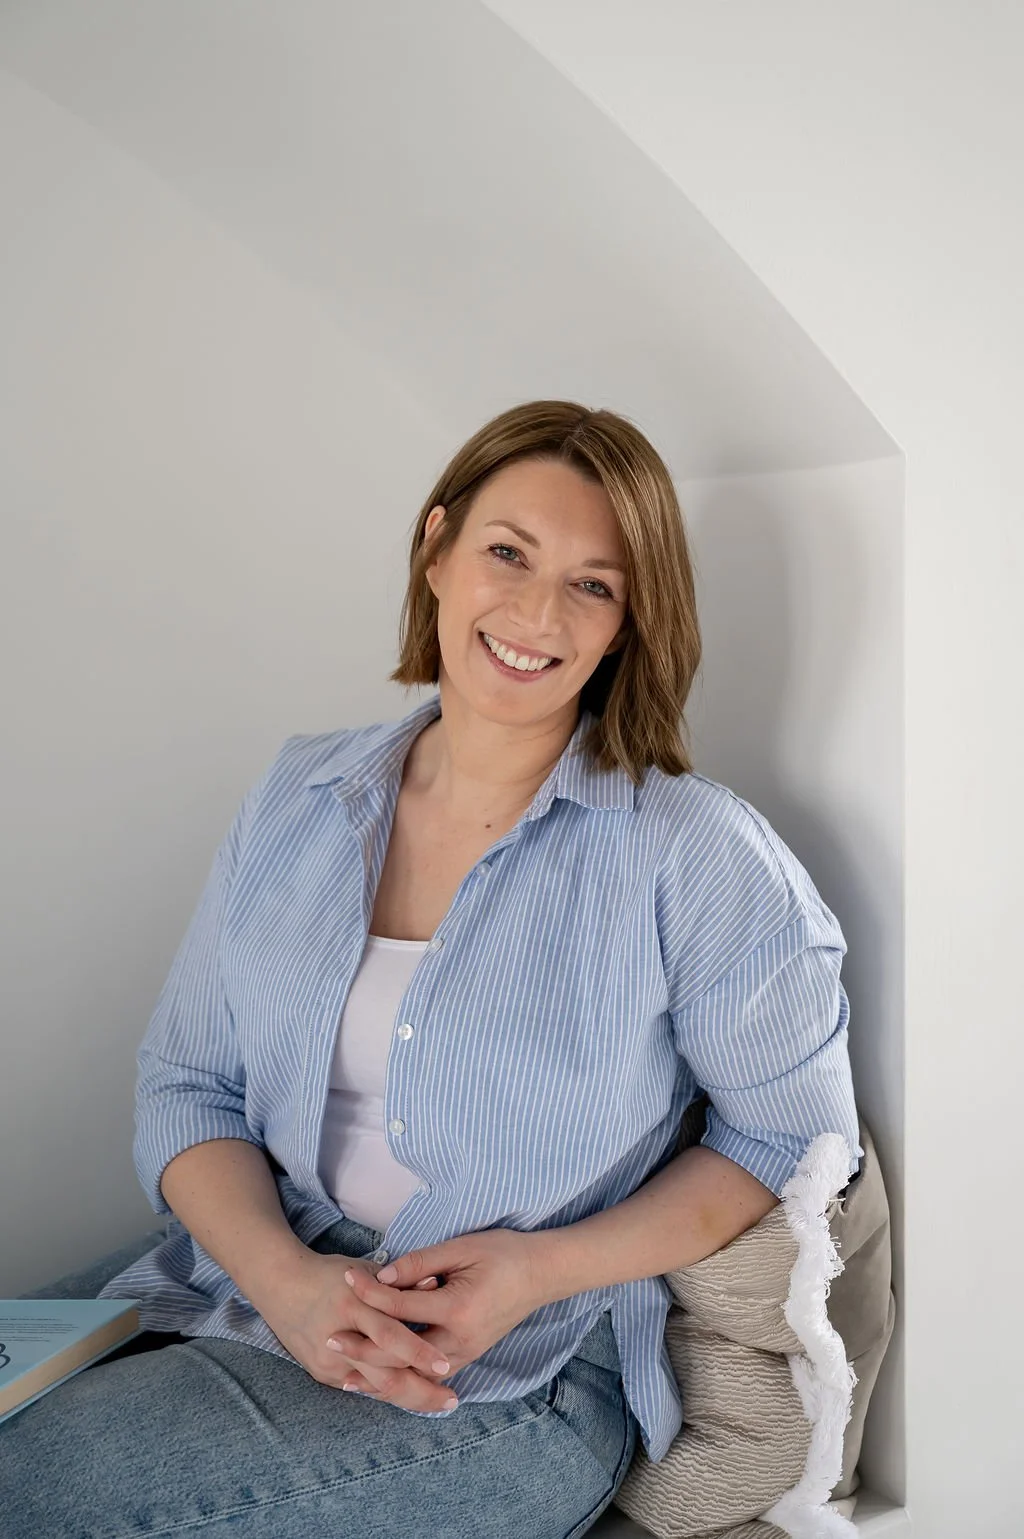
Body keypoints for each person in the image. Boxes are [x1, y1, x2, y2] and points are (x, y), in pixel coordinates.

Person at [1, 400, 861, 1538]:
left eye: (593, 585)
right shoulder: (301, 796)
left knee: (40, 1490)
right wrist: (284, 1280)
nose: (536, 612)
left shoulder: (694, 853)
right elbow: (186, 1084)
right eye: (508, 553)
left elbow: (786, 1142)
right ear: (438, 547)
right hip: (252, 1271)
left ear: (628, 624)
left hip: (517, 1368)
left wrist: (533, 1270)